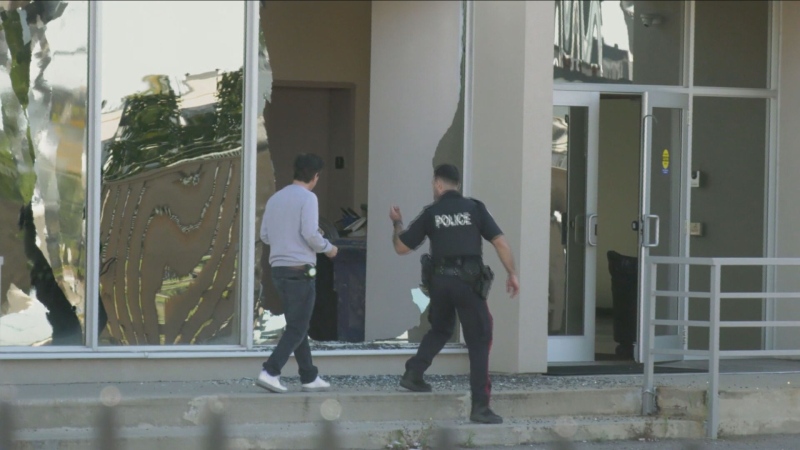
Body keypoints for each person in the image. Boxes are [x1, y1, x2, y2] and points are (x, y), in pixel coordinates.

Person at [389, 164, 519, 424]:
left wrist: (397, 223)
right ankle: (480, 407)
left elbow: (401, 247)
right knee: (480, 338)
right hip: (468, 283)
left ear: (438, 184)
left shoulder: (432, 213)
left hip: (439, 283)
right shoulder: (474, 208)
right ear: (457, 184)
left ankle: (414, 373)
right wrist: (512, 273)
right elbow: (500, 242)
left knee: (440, 328)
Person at [257, 153, 338, 393]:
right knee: (297, 327)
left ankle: (308, 376)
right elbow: (311, 234)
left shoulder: (275, 199)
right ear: (315, 176)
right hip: (300, 271)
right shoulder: (308, 198)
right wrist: (329, 248)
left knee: (297, 324)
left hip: (278, 271)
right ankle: (270, 371)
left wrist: (286, 239)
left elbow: (265, 235)